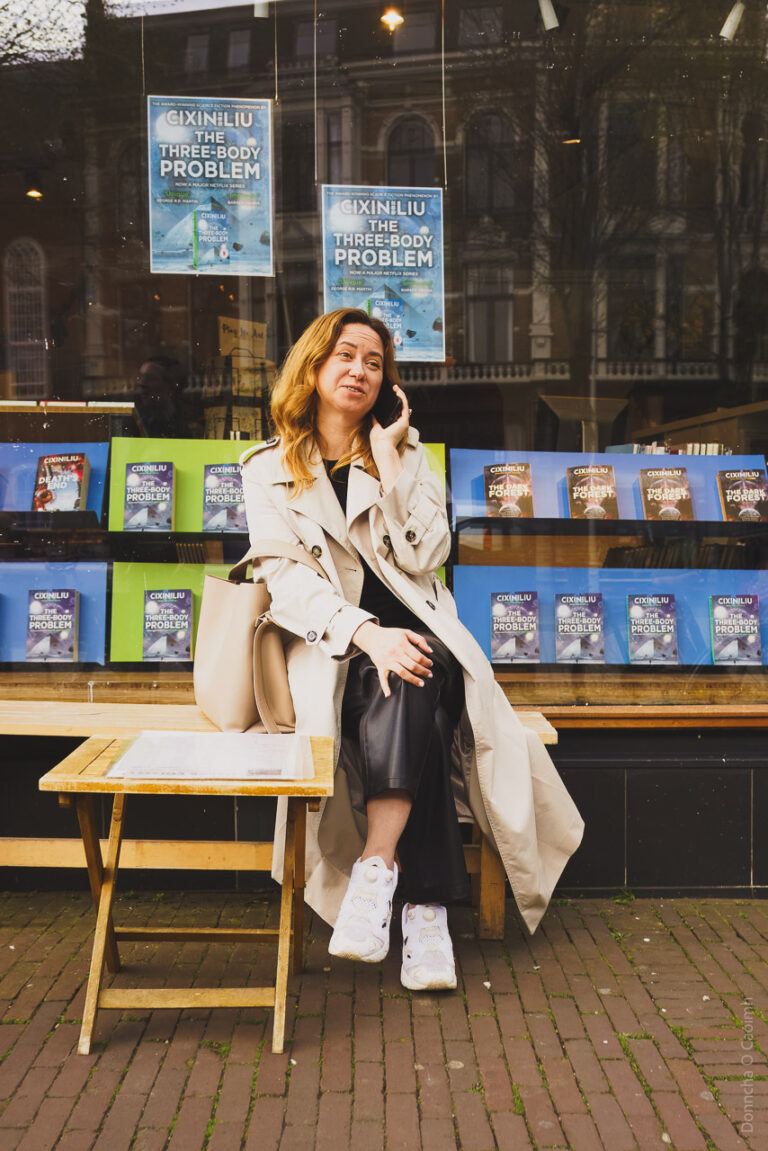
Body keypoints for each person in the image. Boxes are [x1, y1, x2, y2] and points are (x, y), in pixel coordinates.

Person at [241, 308, 583, 990]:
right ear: (313, 367)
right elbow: (285, 583)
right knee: (408, 691)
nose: (360, 370)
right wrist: (367, 632)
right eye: (345, 355)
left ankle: (376, 871)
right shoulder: (268, 469)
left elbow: (431, 553)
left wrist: (393, 457)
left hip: (429, 639)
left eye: (374, 361)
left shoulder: (410, 457)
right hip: (336, 652)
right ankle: (425, 914)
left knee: (417, 665)